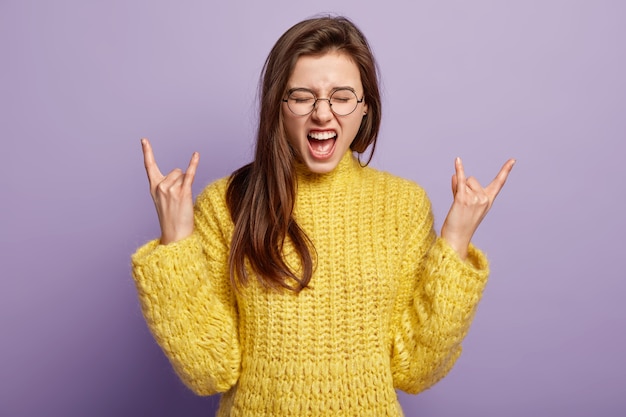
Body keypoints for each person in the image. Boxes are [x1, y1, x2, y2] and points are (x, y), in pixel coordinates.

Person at [132, 15, 514, 417]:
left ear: (365, 107)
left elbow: (416, 369)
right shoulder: (226, 204)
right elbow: (208, 371)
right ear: (278, 107)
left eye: (342, 96)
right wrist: (175, 242)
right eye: (302, 96)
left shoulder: (404, 206)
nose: (322, 113)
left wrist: (455, 241)